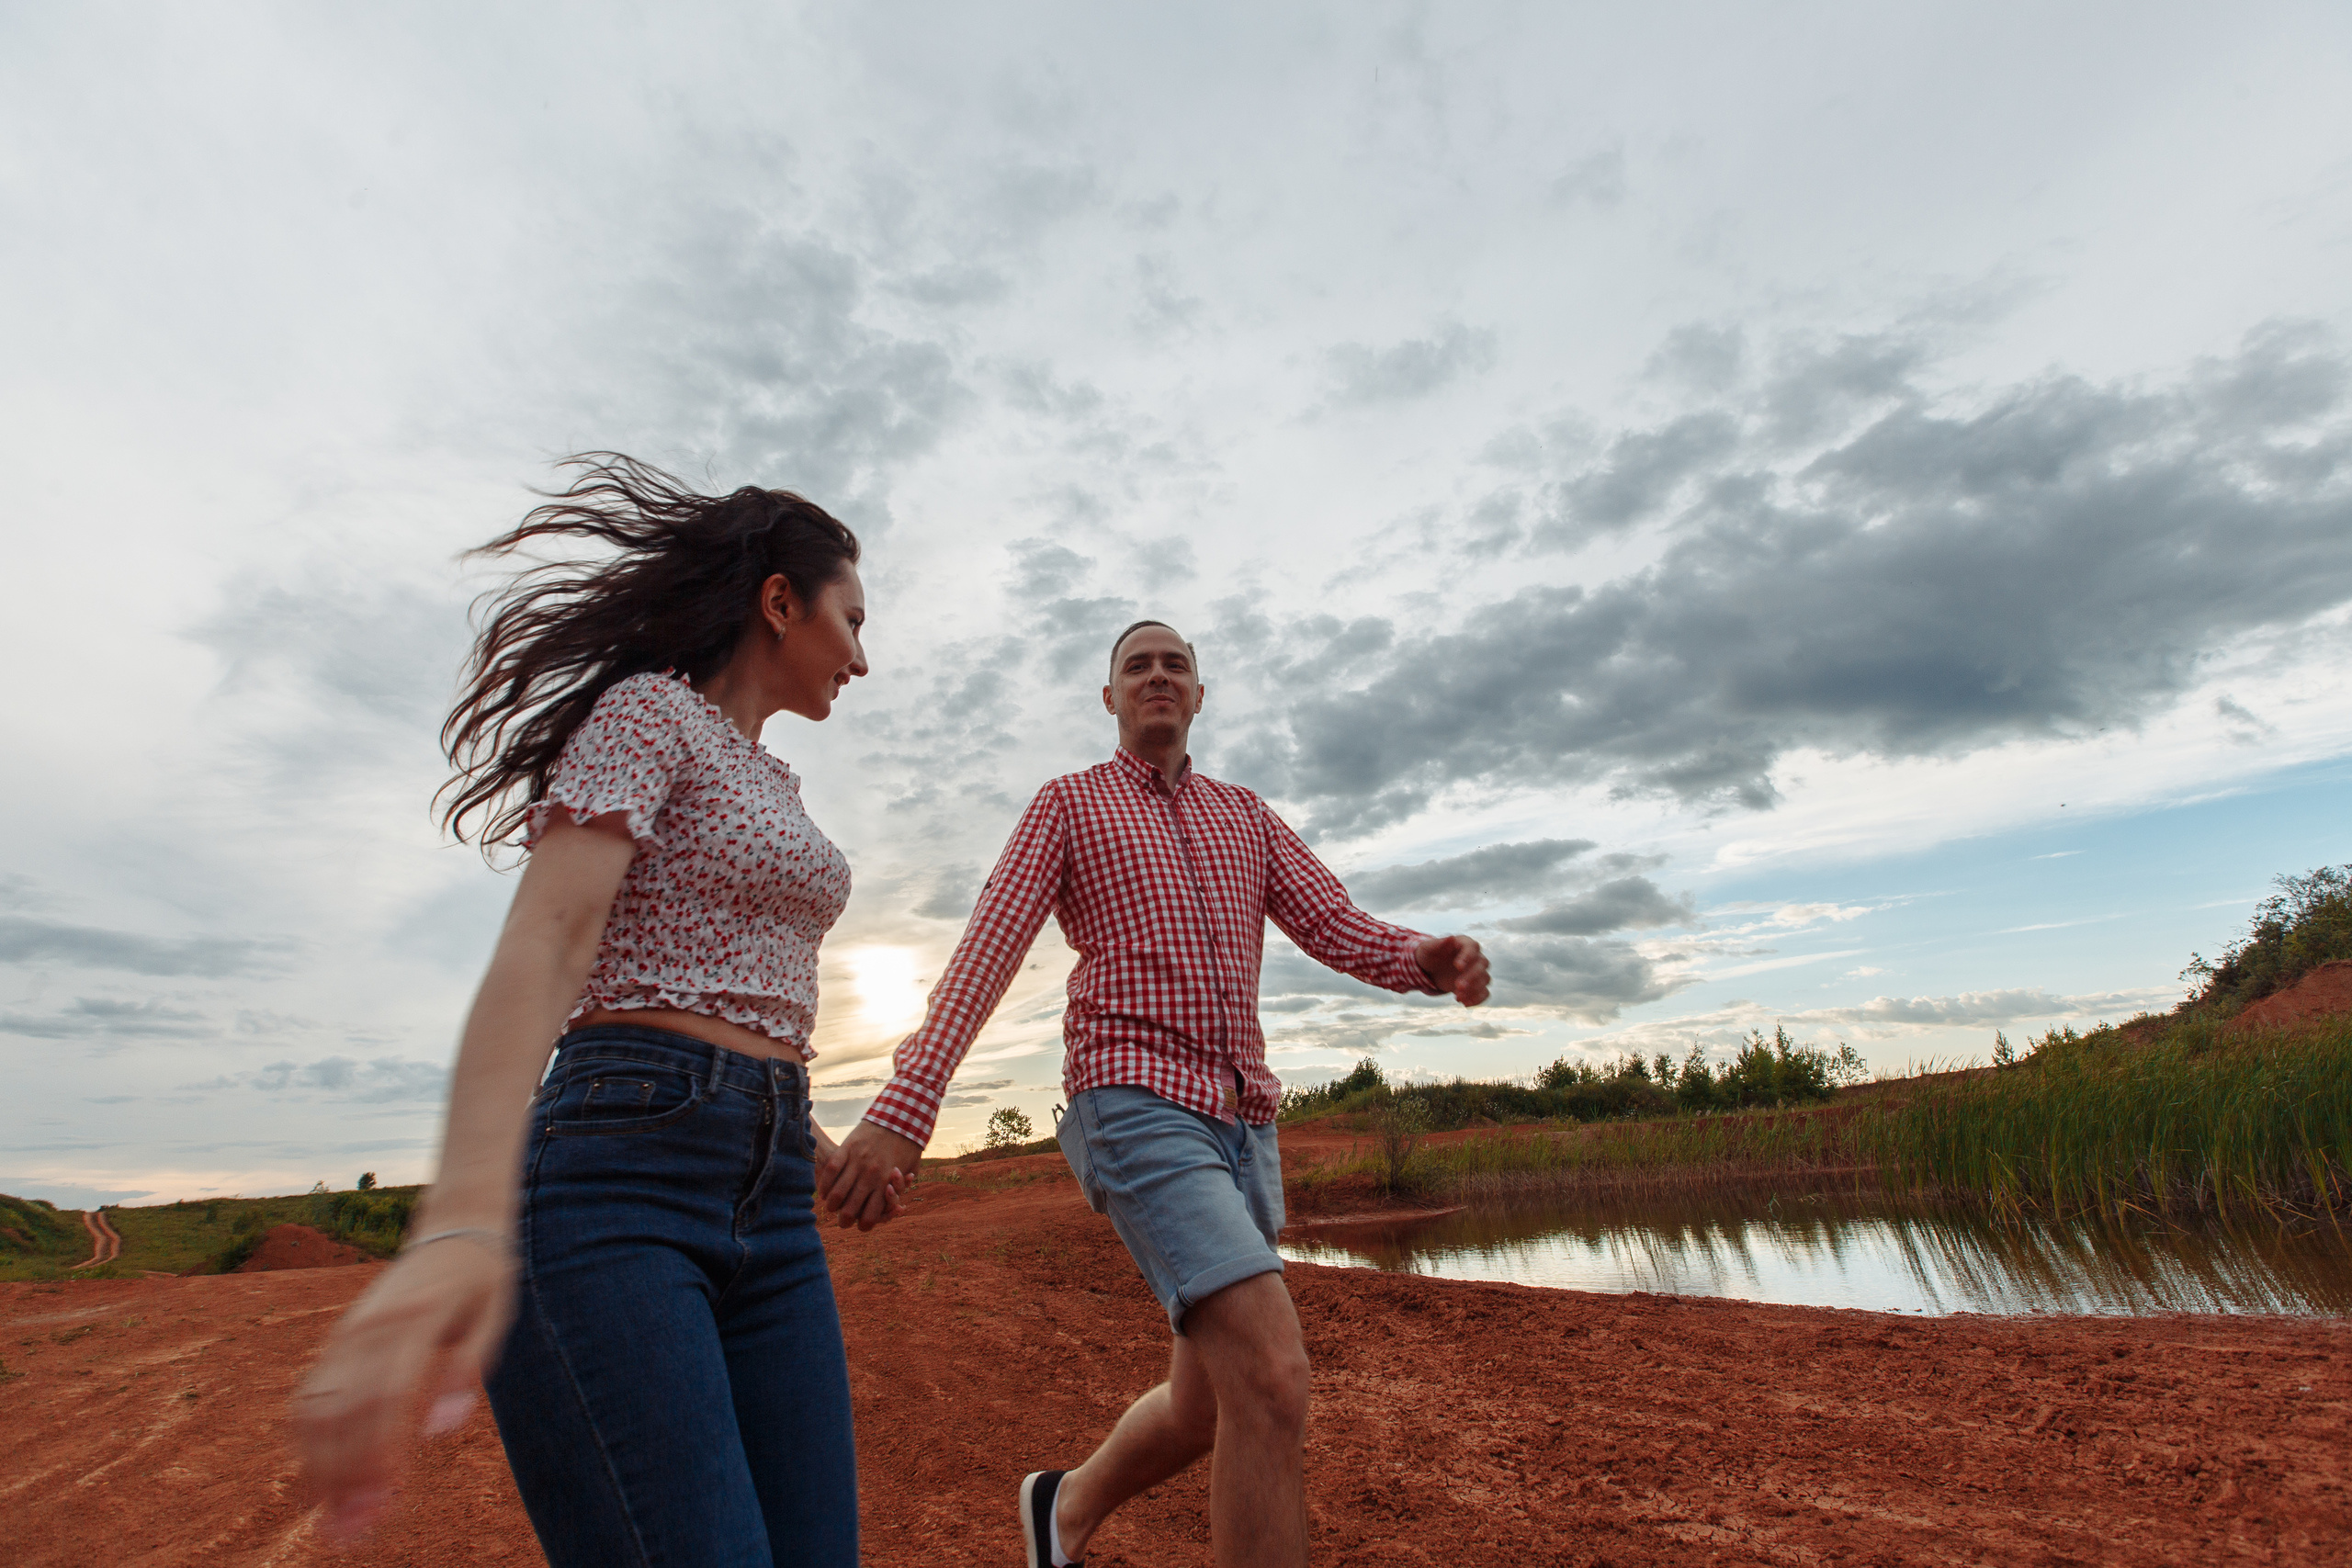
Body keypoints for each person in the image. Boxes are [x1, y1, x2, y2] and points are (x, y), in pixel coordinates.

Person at [293, 454, 904, 1568]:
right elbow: (553, 939)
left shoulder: (772, 782)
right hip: (613, 1189)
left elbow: (719, 989)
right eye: (851, 621)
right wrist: (465, 1219)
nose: (863, 657)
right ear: (781, 601)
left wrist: (799, 1141)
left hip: (769, 1203)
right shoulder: (649, 716)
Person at [820, 619, 1491, 1568]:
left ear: (1200, 695)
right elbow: (987, 951)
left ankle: (1062, 1506)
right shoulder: (1068, 806)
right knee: (1269, 1372)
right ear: (1110, 700)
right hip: (1132, 1100)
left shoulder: (1245, 817)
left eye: (1176, 664)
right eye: (1137, 666)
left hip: (1244, 1124)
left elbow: (1335, 924)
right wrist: (905, 1107)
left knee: (1208, 1399)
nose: (1158, 676)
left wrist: (1419, 960)